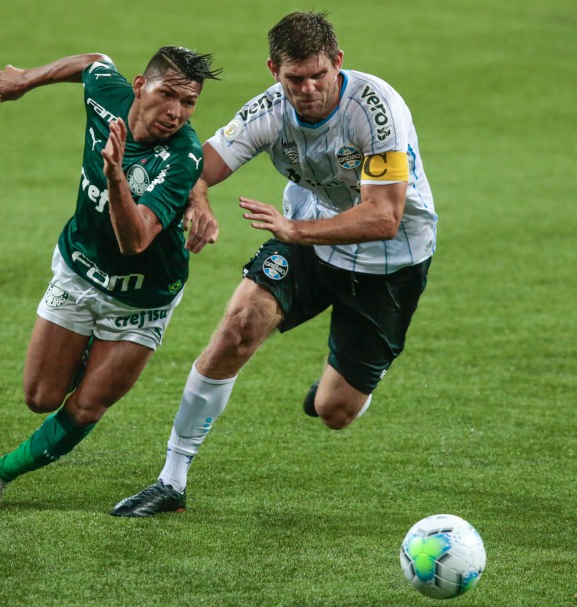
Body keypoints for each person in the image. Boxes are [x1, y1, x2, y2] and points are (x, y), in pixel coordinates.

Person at [111, 11, 437, 517]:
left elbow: (384, 216)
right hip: (306, 239)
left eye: (317, 76)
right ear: (273, 70)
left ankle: (343, 387)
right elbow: (196, 164)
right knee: (239, 325)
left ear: (338, 62)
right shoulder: (268, 110)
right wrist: (197, 199)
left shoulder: (376, 110)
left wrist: (294, 231)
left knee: (335, 412)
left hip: (389, 262)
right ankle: (171, 480)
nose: (307, 89)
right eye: (294, 79)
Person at [0, 47, 222, 513]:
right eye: (167, 95)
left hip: (141, 301)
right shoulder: (107, 95)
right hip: (79, 271)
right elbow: (91, 61)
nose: (176, 113)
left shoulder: (181, 158)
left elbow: (135, 240)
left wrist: (116, 177)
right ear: (140, 85)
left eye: (189, 103)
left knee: (84, 407)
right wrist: (28, 77)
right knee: (40, 397)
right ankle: (85, 353)